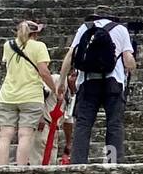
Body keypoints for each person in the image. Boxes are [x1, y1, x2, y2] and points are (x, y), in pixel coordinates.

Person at [57, 11, 136, 164]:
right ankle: (114, 161)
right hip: (114, 82)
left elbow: (71, 55)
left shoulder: (85, 28)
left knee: (83, 124)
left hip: (87, 81)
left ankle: (78, 162)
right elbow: (128, 61)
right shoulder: (120, 29)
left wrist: (61, 81)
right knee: (114, 124)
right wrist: (132, 66)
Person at [0, 20, 58, 166]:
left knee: (4, 136)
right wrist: (54, 90)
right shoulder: (39, 46)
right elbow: (44, 72)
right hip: (31, 96)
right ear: (36, 33)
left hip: (7, 95)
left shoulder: (8, 45)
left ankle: (1, 169)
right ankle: (21, 169)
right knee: (25, 135)